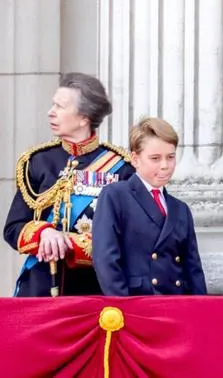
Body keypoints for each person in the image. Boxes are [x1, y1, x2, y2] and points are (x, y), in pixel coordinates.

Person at [3, 73, 135, 297]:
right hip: (40, 289)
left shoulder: (122, 169)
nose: (50, 112)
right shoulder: (38, 161)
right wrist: (43, 233)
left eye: (60, 106)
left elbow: (130, 238)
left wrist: (71, 243)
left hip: (93, 291)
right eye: (53, 104)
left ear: (84, 118)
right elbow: (13, 228)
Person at [93, 117, 207, 296]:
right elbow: (106, 260)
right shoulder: (115, 196)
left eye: (170, 157)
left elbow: (193, 269)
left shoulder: (180, 209)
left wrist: (199, 307)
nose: (165, 166)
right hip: (137, 302)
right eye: (155, 158)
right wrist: (123, 306)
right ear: (135, 159)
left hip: (175, 303)